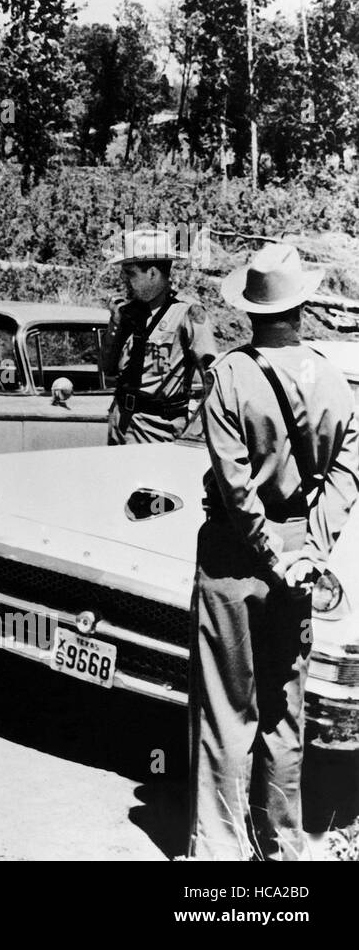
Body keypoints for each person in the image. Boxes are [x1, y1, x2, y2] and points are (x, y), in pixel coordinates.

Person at [189, 241, 359, 860]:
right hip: (299, 555)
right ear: (302, 306)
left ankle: (220, 852)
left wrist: (269, 550)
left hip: (237, 556)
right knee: (285, 711)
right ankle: (284, 849)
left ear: (249, 312)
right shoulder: (335, 379)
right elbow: (347, 473)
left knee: (226, 710)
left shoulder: (230, 376)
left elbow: (235, 488)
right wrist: (309, 550)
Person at [101, 229, 217, 444]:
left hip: (157, 429)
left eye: (130, 273)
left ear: (152, 273)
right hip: (121, 422)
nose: (124, 280)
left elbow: (214, 380)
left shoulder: (187, 313)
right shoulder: (128, 313)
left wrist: (196, 430)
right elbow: (107, 369)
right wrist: (116, 325)